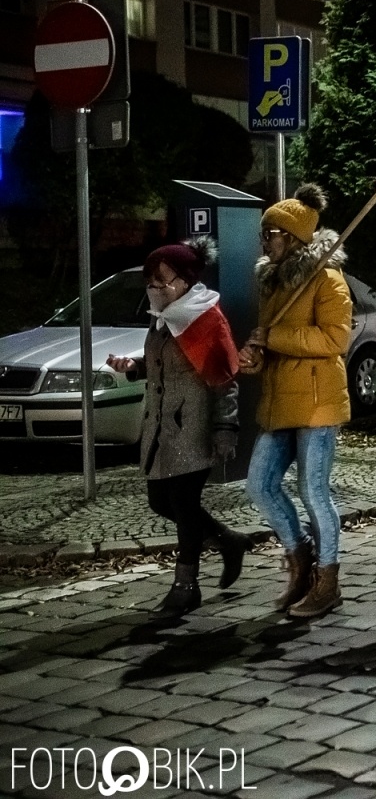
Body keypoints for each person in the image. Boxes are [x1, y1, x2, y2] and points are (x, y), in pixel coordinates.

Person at [107, 240, 248, 621]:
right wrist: (132, 365)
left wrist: (225, 428)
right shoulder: (165, 315)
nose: (155, 288)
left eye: (163, 280)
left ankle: (186, 586)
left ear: (185, 281)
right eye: (150, 281)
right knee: (159, 502)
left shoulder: (205, 319)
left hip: (194, 428)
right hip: (160, 429)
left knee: (184, 507)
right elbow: (163, 362)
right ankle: (227, 540)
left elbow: (225, 379)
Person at [239, 184, 354, 619]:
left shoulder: (327, 279)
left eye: (272, 233)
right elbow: (274, 340)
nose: (264, 240)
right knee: (260, 485)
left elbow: (335, 339)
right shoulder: (274, 282)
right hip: (281, 400)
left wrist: (275, 338)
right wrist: (257, 355)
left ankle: (328, 582)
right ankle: (300, 556)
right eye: (264, 233)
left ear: (294, 238)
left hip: (316, 401)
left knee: (313, 490)